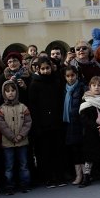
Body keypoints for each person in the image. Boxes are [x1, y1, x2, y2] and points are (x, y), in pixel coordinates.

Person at [27, 56, 66, 188]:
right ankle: (48, 178)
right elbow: (33, 107)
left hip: (56, 122)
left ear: (51, 67)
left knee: (58, 150)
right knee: (45, 152)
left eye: (47, 68)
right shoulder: (34, 84)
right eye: (42, 69)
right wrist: (37, 125)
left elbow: (60, 101)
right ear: (38, 69)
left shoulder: (56, 81)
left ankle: (60, 176)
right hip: (42, 125)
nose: (45, 71)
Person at [0, 79, 32, 194]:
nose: (10, 93)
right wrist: (12, 136)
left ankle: (25, 184)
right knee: (9, 166)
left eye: (13, 90)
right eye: (7, 91)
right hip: (8, 142)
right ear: (4, 93)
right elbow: (2, 126)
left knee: (24, 164)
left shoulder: (23, 107)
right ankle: (9, 186)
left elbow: (28, 122)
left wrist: (21, 135)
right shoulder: (1, 109)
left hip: (22, 141)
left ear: (17, 91)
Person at [63, 65, 86, 185]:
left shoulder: (82, 87)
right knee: (74, 150)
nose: (70, 78)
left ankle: (86, 174)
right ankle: (78, 175)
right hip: (69, 124)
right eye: (68, 76)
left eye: (72, 75)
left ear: (76, 75)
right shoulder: (65, 89)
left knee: (82, 150)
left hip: (80, 123)